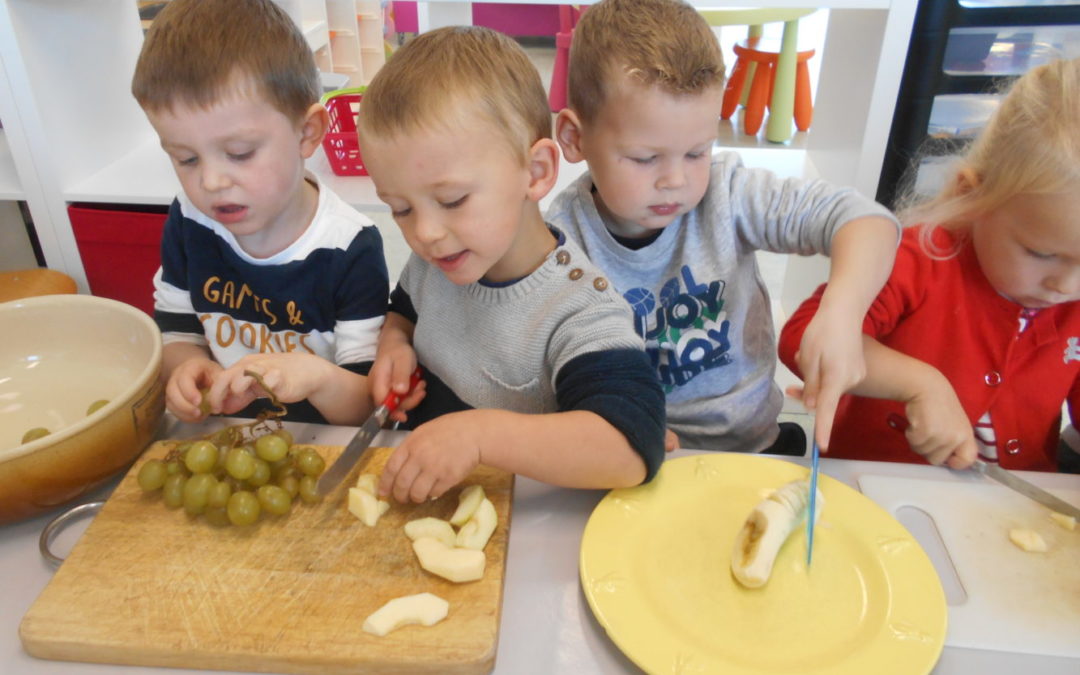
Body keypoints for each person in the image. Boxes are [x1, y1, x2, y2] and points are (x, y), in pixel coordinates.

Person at [547, 0, 899, 454]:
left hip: (754, 447)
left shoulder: (728, 192)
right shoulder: (558, 241)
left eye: (697, 152)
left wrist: (843, 313)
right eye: (644, 158)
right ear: (575, 139)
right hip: (633, 455)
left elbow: (865, 220)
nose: (676, 180)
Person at [357, 26, 667, 503]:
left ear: (537, 172)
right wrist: (395, 342)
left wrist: (478, 435)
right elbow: (406, 307)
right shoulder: (436, 262)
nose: (424, 233)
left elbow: (632, 446)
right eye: (401, 208)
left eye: (452, 199)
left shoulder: (578, 307)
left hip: (526, 531)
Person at [780, 58, 1080, 472]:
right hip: (874, 485)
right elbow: (802, 338)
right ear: (972, 197)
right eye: (1041, 254)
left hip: (1017, 510)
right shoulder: (918, 259)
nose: (1065, 285)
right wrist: (919, 384)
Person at [131, 0, 392, 426]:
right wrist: (184, 368)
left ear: (307, 133)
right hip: (229, 435)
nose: (212, 182)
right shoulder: (191, 220)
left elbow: (365, 407)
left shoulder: (349, 247)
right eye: (186, 159)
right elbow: (177, 330)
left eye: (240, 153)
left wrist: (318, 379)